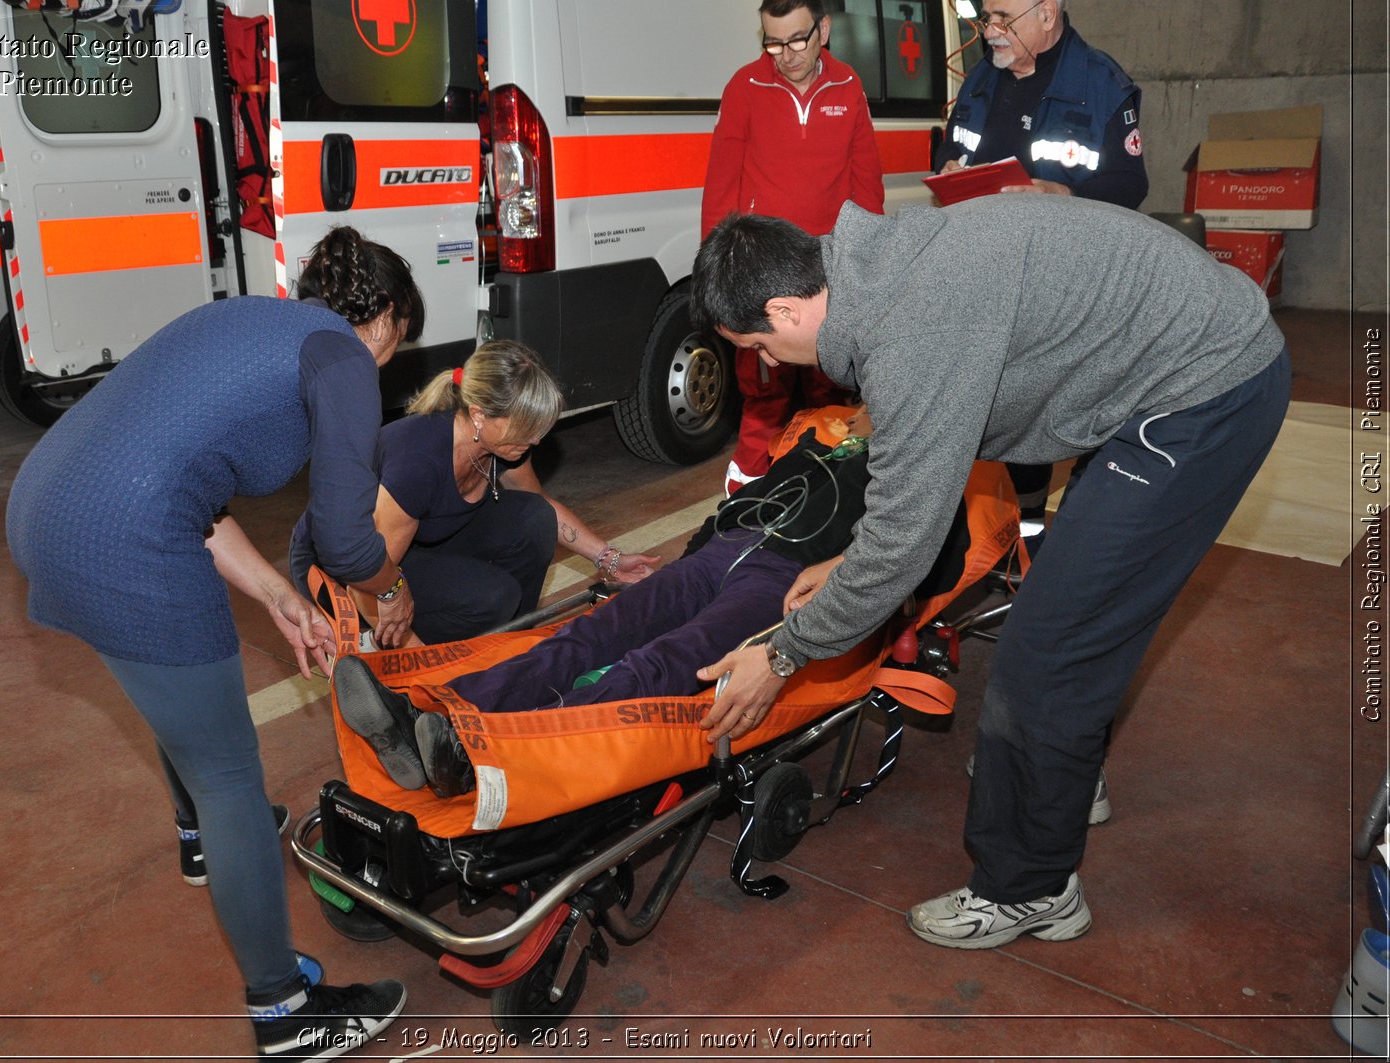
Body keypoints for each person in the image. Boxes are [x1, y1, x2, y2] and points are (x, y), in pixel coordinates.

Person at [688, 198, 1289, 950]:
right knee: (1075, 608)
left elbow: (906, 538)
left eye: (758, 345)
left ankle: (1032, 887)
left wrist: (783, 652)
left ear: (785, 307)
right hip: (1172, 359)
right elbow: (925, 465)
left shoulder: (909, 328)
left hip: (1206, 389)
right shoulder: (875, 264)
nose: (767, 363)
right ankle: (1059, 778)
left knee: (1045, 655)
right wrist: (850, 558)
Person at [6, 227, 423, 1059]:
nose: (384, 363)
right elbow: (345, 540)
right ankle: (286, 1011)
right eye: (395, 346)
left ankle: (201, 836)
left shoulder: (245, 319)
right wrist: (392, 588)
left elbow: (178, 473)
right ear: (380, 320)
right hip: (128, 542)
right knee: (232, 773)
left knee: (174, 695)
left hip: (46, 507)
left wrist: (273, 591)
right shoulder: (342, 357)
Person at [333, 407, 974, 798]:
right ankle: (437, 718)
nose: (861, 412)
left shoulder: (925, 481)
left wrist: (848, 584)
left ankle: (497, 757)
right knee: (587, 637)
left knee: (665, 663)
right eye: (859, 408)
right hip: (722, 553)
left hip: (786, 579)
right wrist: (690, 556)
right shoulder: (812, 446)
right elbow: (736, 506)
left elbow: (922, 563)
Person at [936, 0, 1147, 541]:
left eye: (1004, 17)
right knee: (1011, 412)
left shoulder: (1102, 83)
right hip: (992, 275)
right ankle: (1020, 538)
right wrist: (952, 170)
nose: (991, 31)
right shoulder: (982, 78)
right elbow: (952, 146)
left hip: (1070, 286)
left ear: (1048, 12)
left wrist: (1065, 193)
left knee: (1077, 412)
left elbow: (1130, 186)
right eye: (986, 18)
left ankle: (1078, 540)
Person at [353, 340, 659, 648]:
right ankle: (379, 646)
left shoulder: (505, 444)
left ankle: (510, 647)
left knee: (536, 519)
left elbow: (543, 510)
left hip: (428, 541)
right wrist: (415, 656)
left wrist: (610, 559)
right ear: (479, 415)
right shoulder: (418, 462)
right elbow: (365, 576)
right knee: (495, 598)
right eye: (527, 428)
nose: (536, 440)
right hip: (371, 566)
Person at [701, 0, 885, 496]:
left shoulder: (848, 87)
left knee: (833, 386)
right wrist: (718, 275)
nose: (786, 54)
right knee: (762, 393)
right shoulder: (746, 86)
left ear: (823, 29)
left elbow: (866, 183)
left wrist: (870, 264)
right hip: (762, 275)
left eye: (798, 39)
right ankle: (743, 499)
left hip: (827, 276)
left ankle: (829, 491)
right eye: (773, 42)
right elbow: (721, 186)